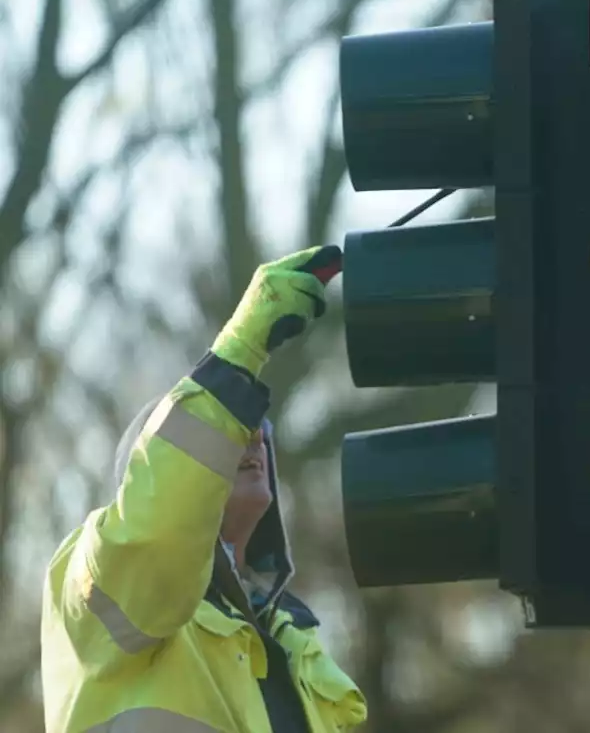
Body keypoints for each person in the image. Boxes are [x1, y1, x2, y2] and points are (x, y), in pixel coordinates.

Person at [41, 246, 367, 733]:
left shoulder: (298, 647)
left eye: (257, 429)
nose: (254, 434)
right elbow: (154, 535)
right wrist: (238, 356)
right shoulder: (101, 589)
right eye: (232, 430)